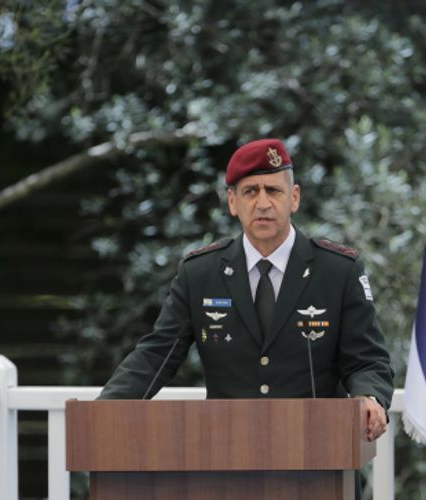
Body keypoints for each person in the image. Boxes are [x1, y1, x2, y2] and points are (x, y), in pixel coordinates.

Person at [98, 138, 393, 442]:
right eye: (250, 191)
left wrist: (370, 397)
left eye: (273, 191)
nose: (263, 203)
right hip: (228, 455)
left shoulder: (338, 271)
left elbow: (367, 359)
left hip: (318, 451)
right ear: (232, 202)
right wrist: (103, 410)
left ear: (294, 198)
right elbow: (158, 354)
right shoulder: (200, 273)